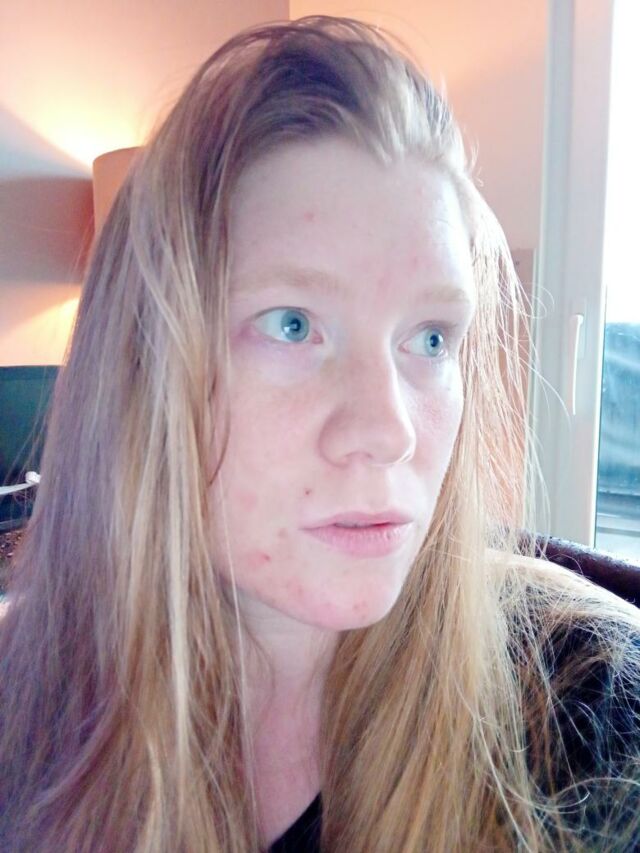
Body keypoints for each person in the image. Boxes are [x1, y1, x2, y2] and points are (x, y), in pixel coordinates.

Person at [0, 15, 639, 853]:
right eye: (294, 324)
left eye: (431, 338)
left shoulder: (589, 724)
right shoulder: (26, 707)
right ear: (142, 368)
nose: (389, 430)